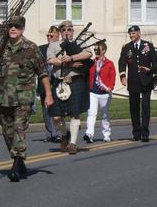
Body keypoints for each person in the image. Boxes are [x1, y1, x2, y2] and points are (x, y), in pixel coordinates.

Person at [0, 16, 54, 182]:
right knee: (7, 132)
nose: (13, 29)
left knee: (18, 129)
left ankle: (15, 166)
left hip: (23, 98)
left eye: (16, 26)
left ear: (22, 29)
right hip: (4, 98)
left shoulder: (31, 48)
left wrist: (49, 95)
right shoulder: (1, 49)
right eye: (10, 26)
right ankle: (20, 161)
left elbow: (43, 73)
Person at [47, 20, 93, 155]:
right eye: (64, 30)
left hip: (75, 81)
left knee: (74, 114)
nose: (67, 32)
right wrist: (68, 64)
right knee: (56, 116)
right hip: (59, 82)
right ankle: (64, 134)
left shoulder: (79, 43)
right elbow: (51, 60)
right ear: (60, 32)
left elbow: (88, 54)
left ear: (73, 31)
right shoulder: (54, 45)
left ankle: (72, 143)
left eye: (69, 29)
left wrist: (71, 57)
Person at [118, 25, 157, 142]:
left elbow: (154, 63)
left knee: (145, 107)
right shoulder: (127, 48)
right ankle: (136, 132)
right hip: (133, 81)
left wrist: (155, 79)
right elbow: (122, 63)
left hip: (146, 80)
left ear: (139, 33)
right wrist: (122, 76)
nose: (131, 36)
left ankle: (145, 133)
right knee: (134, 108)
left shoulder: (148, 45)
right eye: (130, 34)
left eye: (133, 33)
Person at [84, 41, 116, 143]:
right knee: (91, 113)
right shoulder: (91, 63)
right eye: (95, 50)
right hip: (93, 92)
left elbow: (112, 77)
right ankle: (89, 134)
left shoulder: (109, 64)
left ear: (104, 50)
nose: (96, 52)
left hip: (105, 94)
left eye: (98, 50)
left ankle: (106, 134)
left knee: (104, 114)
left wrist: (110, 87)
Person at [37, 25, 60, 142]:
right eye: (47, 35)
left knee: (57, 110)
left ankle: (57, 133)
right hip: (44, 83)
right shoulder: (41, 49)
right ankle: (49, 133)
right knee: (46, 110)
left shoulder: (61, 48)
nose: (49, 37)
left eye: (51, 36)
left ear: (57, 36)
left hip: (57, 83)